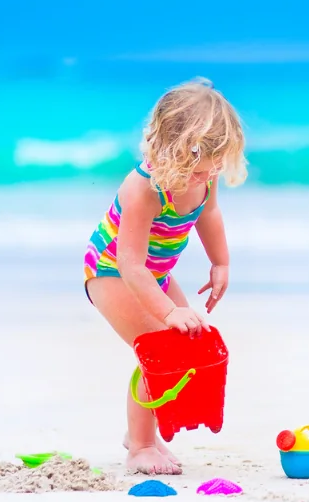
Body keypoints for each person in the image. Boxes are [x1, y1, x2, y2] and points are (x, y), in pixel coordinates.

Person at [83, 78, 247, 475]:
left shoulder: (203, 179)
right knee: (161, 350)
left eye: (211, 170)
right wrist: (169, 311)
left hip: (153, 273)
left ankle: (141, 434)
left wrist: (220, 262)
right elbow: (130, 265)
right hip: (111, 271)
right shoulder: (144, 189)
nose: (202, 179)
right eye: (194, 171)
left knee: (186, 349)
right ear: (166, 151)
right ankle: (140, 445)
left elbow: (209, 215)